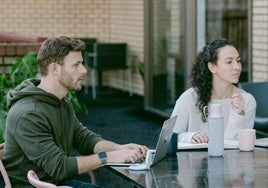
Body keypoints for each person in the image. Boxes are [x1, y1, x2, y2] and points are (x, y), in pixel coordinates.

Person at [3, 36, 147, 187]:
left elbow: (84, 139)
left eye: (82, 64)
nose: (84, 70)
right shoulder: (29, 114)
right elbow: (59, 167)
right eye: (76, 65)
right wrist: (109, 157)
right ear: (54, 69)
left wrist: (119, 148)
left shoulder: (60, 101)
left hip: (57, 182)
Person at [171, 38, 256, 144]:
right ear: (212, 67)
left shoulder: (247, 101)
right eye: (229, 62)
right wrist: (189, 137)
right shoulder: (189, 98)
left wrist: (237, 115)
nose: (237, 67)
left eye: (238, 61)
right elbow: (169, 138)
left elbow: (236, 146)